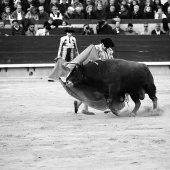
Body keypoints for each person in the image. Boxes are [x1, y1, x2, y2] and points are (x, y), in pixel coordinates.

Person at [74, 38, 115, 114]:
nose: (107, 48)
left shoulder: (109, 50)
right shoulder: (95, 48)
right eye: (106, 46)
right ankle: (106, 107)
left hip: (104, 72)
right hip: (94, 72)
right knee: (99, 90)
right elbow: (90, 59)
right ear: (102, 44)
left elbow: (111, 60)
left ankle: (80, 104)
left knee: (93, 90)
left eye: (108, 47)